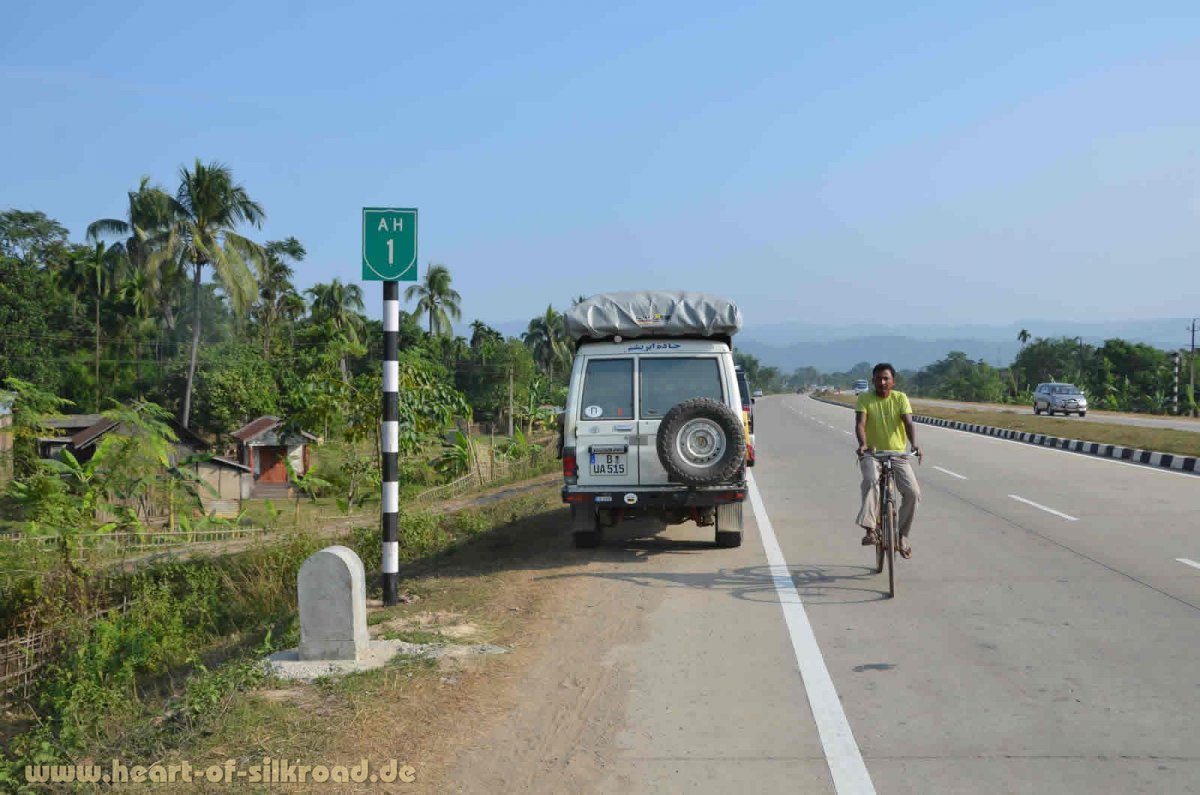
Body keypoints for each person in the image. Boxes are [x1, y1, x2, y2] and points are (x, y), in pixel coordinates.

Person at [854, 363, 922, 558]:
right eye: (878, 378)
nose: (882, 382)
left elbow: (908, 423)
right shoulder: (865, 399)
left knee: (913, 492)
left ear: (893, 381)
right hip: (872, 453)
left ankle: (902, 536)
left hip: (897, 454)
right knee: (870, 481)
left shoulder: (900, 398)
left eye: (886, 378)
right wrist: (863, 444)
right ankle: (870, 529)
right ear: (873, 380)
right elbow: (860, 424)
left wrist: (914, 444)